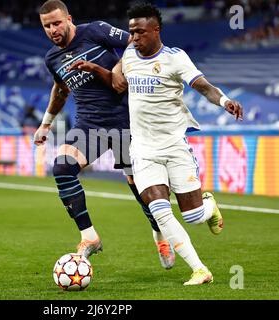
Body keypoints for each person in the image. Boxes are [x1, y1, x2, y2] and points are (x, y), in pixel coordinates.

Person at [74, 3, 244, 285]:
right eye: (131, 32)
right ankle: (200, 269)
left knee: (193, 216)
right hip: (142, 149)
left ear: (156, 30)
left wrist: (225, 101)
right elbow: (118, 85)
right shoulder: (128, 54)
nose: (134, 37)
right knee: (159, 210)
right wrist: (94, 68)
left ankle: (208, 207)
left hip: (175, 145)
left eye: (140, 32)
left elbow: (203, 86)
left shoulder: (175, 58)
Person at [34, 0, 175, 268]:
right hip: (90, 125)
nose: (53, 29)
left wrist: (118, 69)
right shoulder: (52, 58)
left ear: (69, 19)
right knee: (62, 167)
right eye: (47, 26)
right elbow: (61, 89)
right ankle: (90, 237)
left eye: (56, 23)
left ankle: (160, 234)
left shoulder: (95, 31)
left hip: (126, 121)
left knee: (142, 190)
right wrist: (46, 123)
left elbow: (136, 43)